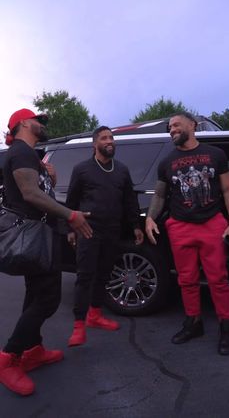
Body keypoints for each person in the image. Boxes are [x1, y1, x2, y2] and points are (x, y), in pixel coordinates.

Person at [0, 108, 93, 396]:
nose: (42, 124)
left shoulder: (30, 155)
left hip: (42, 235)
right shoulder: (20, 152)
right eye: (39, 120)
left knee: (35, 294)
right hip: (34, 235)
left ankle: (33, 350)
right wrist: (71, 216)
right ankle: (7, 359)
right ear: (24, 123)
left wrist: (49, 178)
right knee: (47, 299)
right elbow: (30, 194)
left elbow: (40, 191)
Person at [145, 112, 229, 355]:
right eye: (169, 127)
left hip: (211, 224)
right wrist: (150, 219)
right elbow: (160, 195)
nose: (172, 129)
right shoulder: (167, 162)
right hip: (180, 226)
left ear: (192, 125)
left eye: (176, 124)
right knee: (187, 279)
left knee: (218, 280)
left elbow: (228, 189)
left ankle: (227, 326)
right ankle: (193, 322)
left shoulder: (215, 154)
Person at [66, 125, 144, 347]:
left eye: (111, 137)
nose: (110, 141)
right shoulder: (82, 169)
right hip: (88, 230)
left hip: (112, 230)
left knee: (104, 274)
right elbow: (71, 202)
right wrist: (70, 229)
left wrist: (135, 226)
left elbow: (129, 200)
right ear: (94, 144)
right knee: (85, 276)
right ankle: (79, 325)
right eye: (104, 138)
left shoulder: (121, 170)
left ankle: (95, 315)